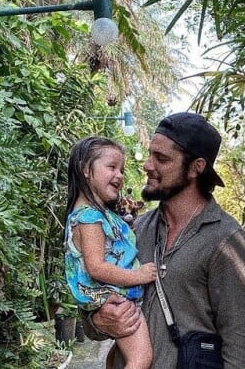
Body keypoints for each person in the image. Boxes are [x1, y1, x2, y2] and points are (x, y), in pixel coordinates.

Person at [84, 113, 245, 368]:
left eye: (161, 158)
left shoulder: (226, 240)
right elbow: (93, 303)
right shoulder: (134, 231)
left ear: (196, 167)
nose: (147, 165)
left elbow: (239, 345)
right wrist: (98, 321)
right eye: (150, 154)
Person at [64, 136, 157, 369]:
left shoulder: (99, 215)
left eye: (122, 169)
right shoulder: (88, 217)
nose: (120, 175)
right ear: (86, 170)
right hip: (115, 301)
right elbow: (96, 267)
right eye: (112, 167)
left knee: (122, 357)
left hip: (114, 300)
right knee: (140, 359)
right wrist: (138, 276)